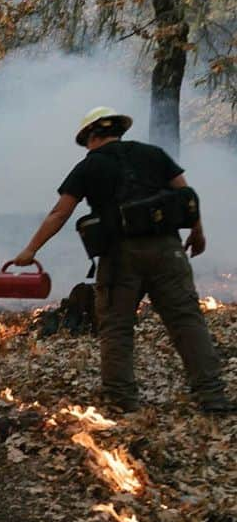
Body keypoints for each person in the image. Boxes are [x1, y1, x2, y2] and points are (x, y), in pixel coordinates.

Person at [12, 106, 234, 414]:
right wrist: (197, 233)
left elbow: (60, 213)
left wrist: (30, 250)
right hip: (168, 250)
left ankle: (121, 402)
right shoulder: (153, 154)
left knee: (117, 327)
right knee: (186, 321)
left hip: (120, 257)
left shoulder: (89, 167)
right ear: (118, 131)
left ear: (90, 136)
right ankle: (212, 398)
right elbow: (187, 197)